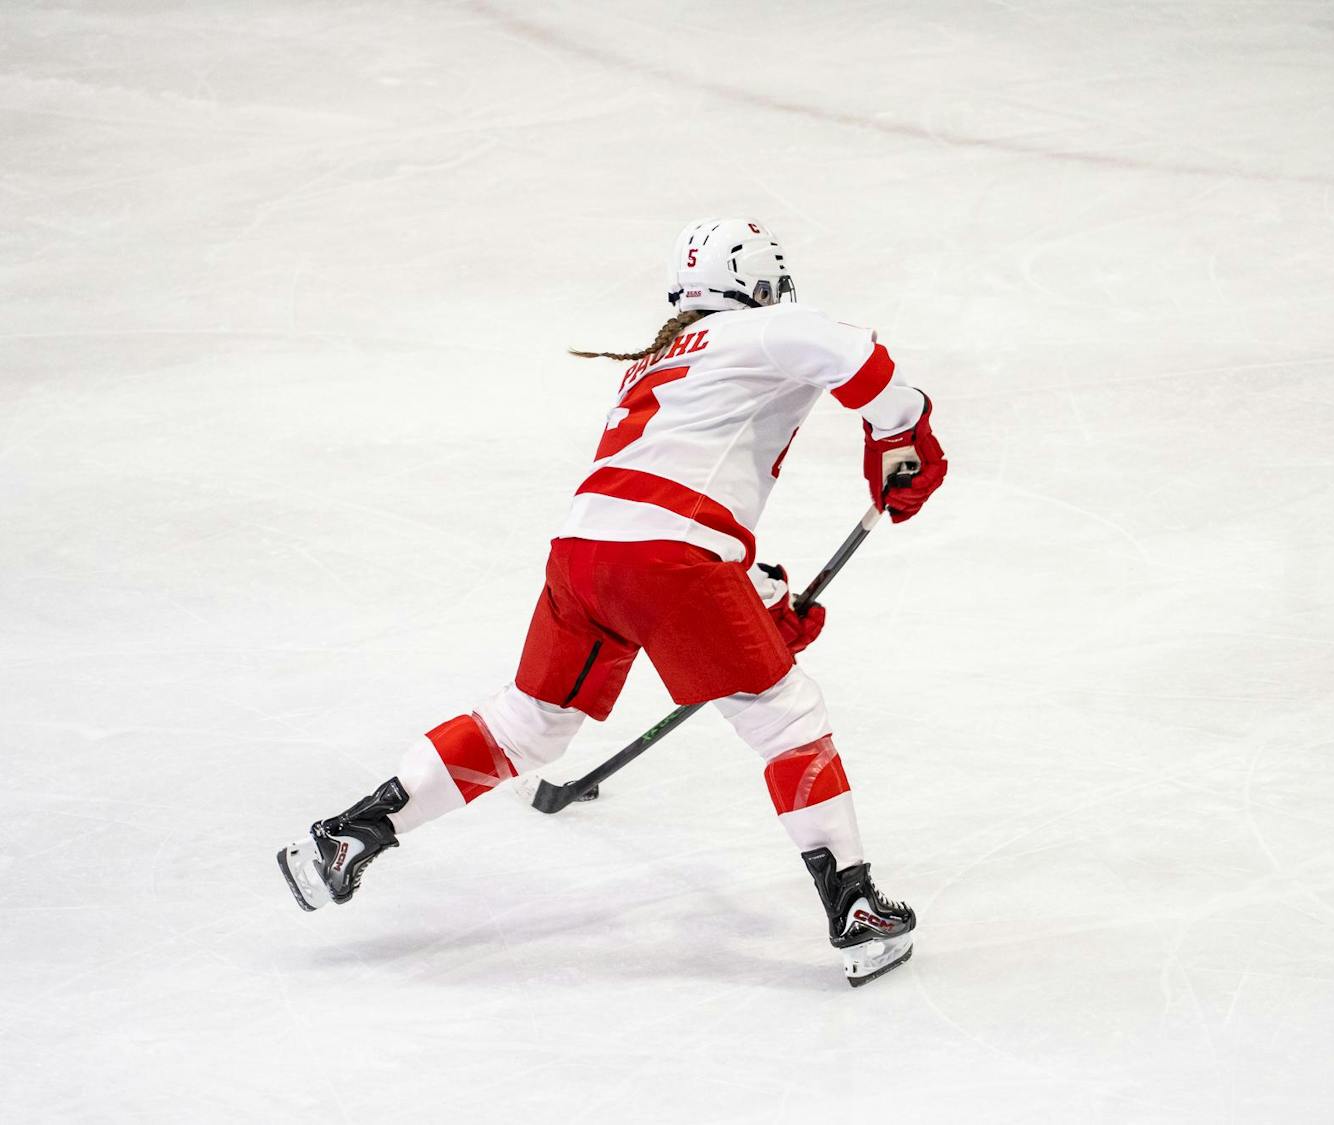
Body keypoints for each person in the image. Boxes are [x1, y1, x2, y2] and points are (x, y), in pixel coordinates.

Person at [277, 218, 948, 986]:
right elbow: (861, 357)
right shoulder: (767, 329)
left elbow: (661, 507)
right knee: (787, 719)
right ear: (759, 283)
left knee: (525, 725)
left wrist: (758, 600)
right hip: (674, 560)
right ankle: (855, 908)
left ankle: (347, 835)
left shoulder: (658, 360)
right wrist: (902, 436)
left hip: (582, 559)